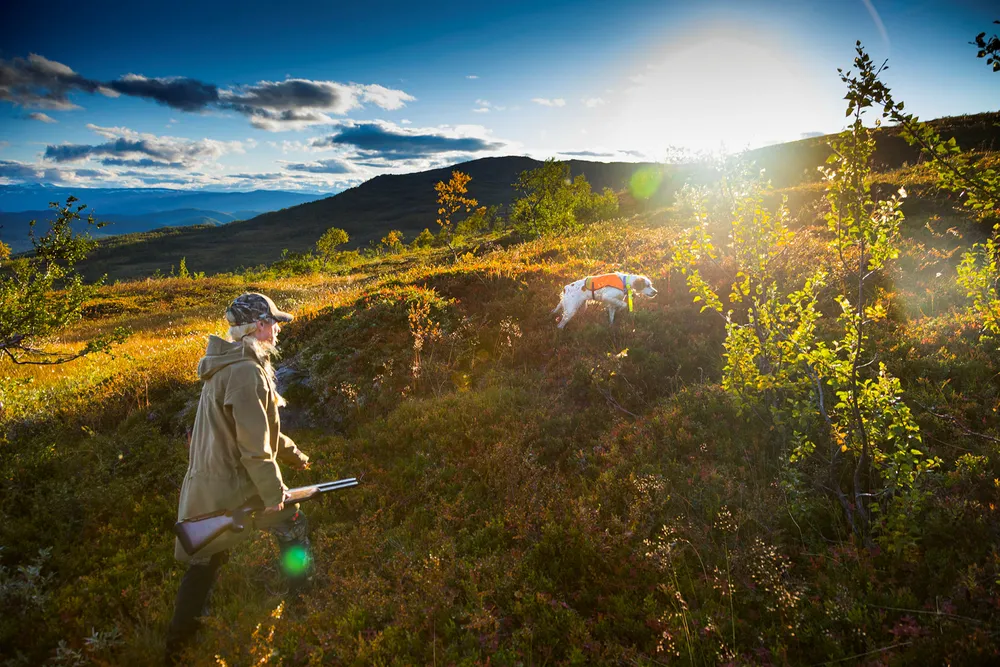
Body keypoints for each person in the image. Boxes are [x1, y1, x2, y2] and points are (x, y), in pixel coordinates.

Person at [165, 293, 311, 664]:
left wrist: (293, 454)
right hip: (233, 485)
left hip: (208, 484)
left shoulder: (227, 365)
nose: (277, 329)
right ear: (259, 326)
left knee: (205, 560)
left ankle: (177, 647)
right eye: (273, 322)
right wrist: (275, 494)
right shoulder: (246, 373)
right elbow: (254, 449)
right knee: (291, 520)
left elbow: (259, 431)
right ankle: (304, 603)